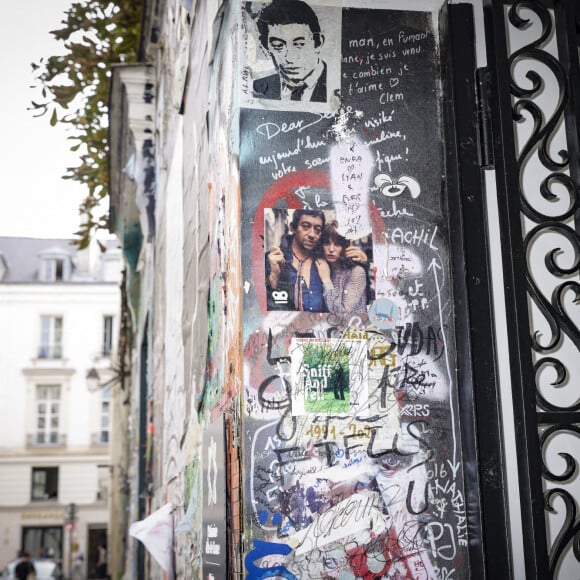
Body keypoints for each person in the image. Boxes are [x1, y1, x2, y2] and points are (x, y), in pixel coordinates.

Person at [253, 0, 327, 102]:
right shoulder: (260, 89)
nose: (290, 58)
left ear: (318, 43)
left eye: (299, 44)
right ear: (267, 47)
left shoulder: (333, 84)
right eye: (278, 46)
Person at [266, 209, 327, 311]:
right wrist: (274, 277)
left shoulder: (324, 262)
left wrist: (362, 262)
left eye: (317, 229)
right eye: (306, 226)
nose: (312, 235)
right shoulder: (273, 260)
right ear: (292, 227)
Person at [316, 220, 369, 317]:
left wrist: (326, 281)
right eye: (327, 243)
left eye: (337, 244)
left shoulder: (356, 272)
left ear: (344, 246)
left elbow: (341, 314)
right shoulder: (322, 267)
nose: (331, 249)